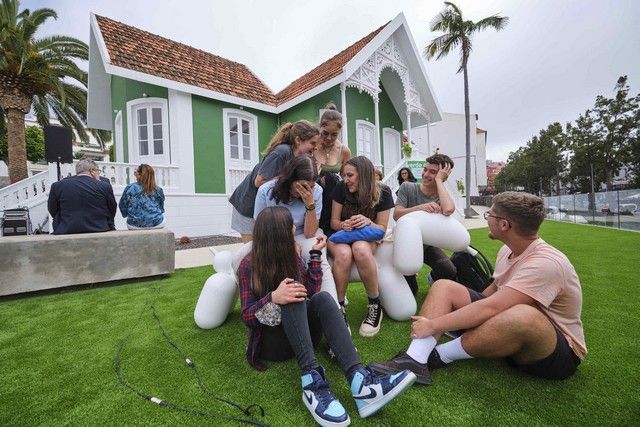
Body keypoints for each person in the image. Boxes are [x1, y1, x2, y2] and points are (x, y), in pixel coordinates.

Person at [370, 192, 586, 385]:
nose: (487, 218)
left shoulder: (546, 263)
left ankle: (438, 356)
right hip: (508, 331)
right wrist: (464, 315)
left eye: (489, 215)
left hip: (554, 352)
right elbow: (490, 293)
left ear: (504, 225)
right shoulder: (508, 250)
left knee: (524, 315)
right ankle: (415, 359)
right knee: (444, 286)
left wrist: (434, 324)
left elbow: (491, 308)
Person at [239, 206, 416, 425]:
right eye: (290, 225)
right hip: (273, 344)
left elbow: (313, 293)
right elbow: (247, 316)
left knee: (322, 298)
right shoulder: (248, 265)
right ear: (278, 233)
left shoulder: (291, 256)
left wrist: (314, 256)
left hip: (300, 334)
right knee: (291, 292)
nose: (295, 228)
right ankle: (312, 383)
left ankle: (360, 382)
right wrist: (273, 297)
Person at [254, 155, 338, 302]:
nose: (306, 190)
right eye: (302, 185)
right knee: (245, 255)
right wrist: (288, 242)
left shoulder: (316, 191)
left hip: (303, 234)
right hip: (273, 237)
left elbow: (309, 232)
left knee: (317, 253)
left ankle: (333, 309)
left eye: (310, 186)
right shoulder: (266, 191)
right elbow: (260, 229)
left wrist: (310, 203)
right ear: (290, 179)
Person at [328, 156, 394, 337]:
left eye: (350, 175)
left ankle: (375, 304)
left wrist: (367, 222)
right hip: (341, 236)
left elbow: (381, 228)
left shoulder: (384, 192)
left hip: (367, 237)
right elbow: (333, 222)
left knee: (360, 249)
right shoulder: (341, 188)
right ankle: (338, 308)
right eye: (344, 175)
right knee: (343, 254)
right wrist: (343, 224)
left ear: (364, 175)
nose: (346, 180)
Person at [229, 120, 320, 242]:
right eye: (312, 143)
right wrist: (286, 178)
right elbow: (259, 181)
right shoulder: (282, 152)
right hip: (248, 204)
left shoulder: (296, 158)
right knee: (254, 249)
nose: (316, 147)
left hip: (263, 203)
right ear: (298, 140)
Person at [395, 154, 458, 295]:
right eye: (425, 169)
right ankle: (406, 277)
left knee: (449, 271)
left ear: (443, 176)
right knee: (412, 292)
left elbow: (448, 209)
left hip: (427, 245)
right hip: (405, 245)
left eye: (433, 172)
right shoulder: (407, 187)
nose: (426, 174)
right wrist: (420, 207)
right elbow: (397, 215)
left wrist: (439, 182)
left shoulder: (441, 196)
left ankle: (432, 278)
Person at [47, 159, 117, 235]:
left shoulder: (57, 186)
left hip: (66, 229)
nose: (98, 174)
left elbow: (52, 209)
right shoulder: (104, 186)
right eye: (98, 171)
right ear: (92, 170)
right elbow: (112, 208)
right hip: (99, 228)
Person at [313, 103, 352, 236]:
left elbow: (346, 178)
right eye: (325, 133)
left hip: (332, 201)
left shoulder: (344, 151)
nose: (329, 138)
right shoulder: (312, 146)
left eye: (334, 135)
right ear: (320, 128)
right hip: (312, 197)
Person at [119, 164, 165, 229]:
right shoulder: (158, 190)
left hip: (134, 224)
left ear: (140, 175)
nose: (135, 174)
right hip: (157, 223)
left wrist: (128, 214)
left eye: (136, 172)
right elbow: (161, 208)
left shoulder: (130, 188)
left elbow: (122, 206)